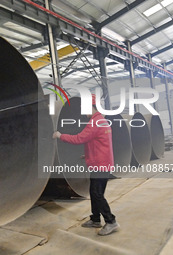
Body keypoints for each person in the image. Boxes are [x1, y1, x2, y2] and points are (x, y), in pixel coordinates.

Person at [53, 94, 119, 236]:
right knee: (94, 193)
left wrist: (60, 135)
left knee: (97, 194)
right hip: (102, 163)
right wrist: (89, 155)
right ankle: (95, 219)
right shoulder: (102, 121)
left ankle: (111, 221)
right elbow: (101, 144)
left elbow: (79, 138)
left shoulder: (95, 123)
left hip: (100, 166)